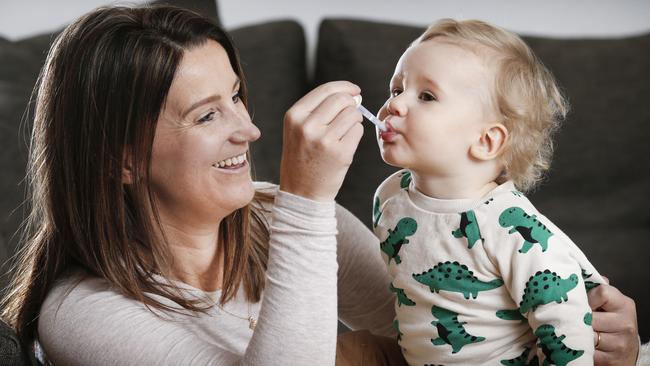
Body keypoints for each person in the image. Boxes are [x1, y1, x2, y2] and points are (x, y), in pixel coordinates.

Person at [0, 5, 641, 366]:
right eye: (207, 115)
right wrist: (309, 203)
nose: (250, 131)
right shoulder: (81, 317)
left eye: (237, 98)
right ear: (123, 160)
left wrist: (595, 331)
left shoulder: (276, 215)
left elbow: (435, 328)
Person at [370, 19, 644, 366]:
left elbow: (566, 325)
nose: (394, 104)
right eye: (397, 89)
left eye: (426, 96)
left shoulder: (509, 228)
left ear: (486, 141)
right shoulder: (389, 196)